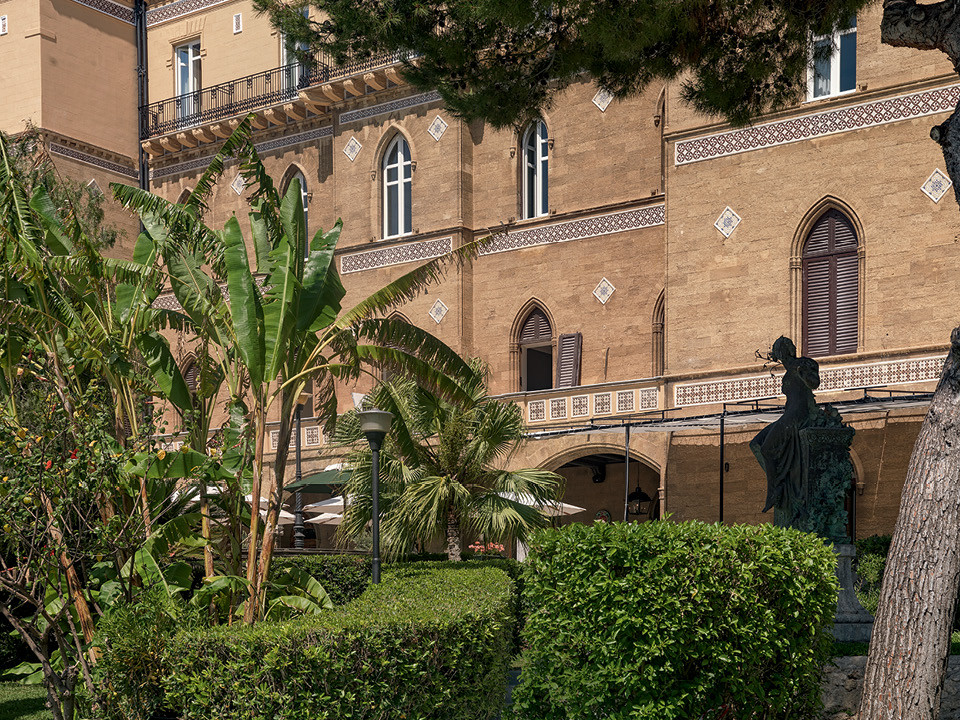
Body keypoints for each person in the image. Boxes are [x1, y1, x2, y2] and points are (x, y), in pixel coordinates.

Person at [750, 336, 820, 525]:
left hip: (798, 414)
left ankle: (775, 489)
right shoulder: (787, 370)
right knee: (755, 443)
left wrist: (802, 373)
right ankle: (778, 480)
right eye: (778, 350)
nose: (780, 353)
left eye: (782, 349)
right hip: (789, 413)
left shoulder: (805, 363)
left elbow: (815, 383)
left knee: (767, 448)